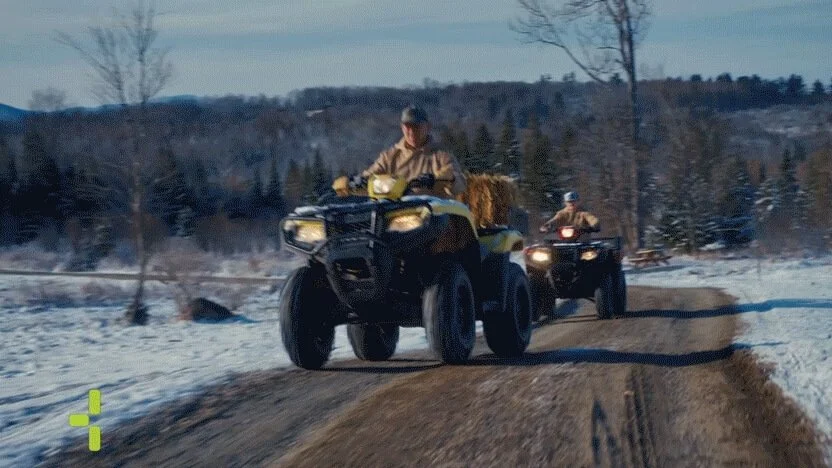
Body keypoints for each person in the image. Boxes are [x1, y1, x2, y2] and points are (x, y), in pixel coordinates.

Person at [362, 105, 466, 198]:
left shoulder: (441, 155)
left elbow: (460, 184)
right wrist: (356, 182)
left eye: (417, 127)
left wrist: (441, 178)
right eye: (408, 127)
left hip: (431, 212)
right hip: (395, 211)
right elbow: (370, 177)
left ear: (428, 127)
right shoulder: (389, 157)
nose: (411, 132)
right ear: (402, 128)